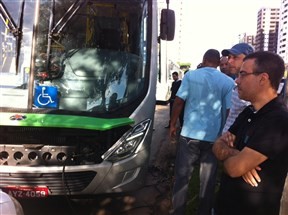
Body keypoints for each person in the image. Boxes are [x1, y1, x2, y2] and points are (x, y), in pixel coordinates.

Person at [212, 51, 288, 215]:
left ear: (263, 79)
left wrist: (229, 156)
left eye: (243, 74)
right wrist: (234, 152)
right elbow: (217, 145)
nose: (237, 81)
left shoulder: (278, 121)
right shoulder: (249, 112)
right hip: (224, 205)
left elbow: (234, 168)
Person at [169, 49, 234, 215]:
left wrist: (172, 124)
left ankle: (178, 211)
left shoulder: (191, 76)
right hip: (213, 138)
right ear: (219, 63)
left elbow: (179, 101)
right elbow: (228, 111)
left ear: (204, 60)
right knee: (208, 181)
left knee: (182, 178)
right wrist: (222, 133)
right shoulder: (227, 82)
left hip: (189, 135)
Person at [221, 43, 254, 133]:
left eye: (235, 57)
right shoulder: (237, 83)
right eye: (229, 57)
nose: (229, 61)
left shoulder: (253, 87)